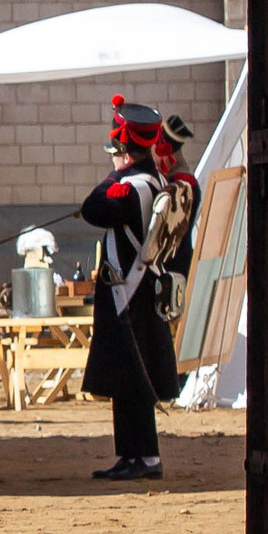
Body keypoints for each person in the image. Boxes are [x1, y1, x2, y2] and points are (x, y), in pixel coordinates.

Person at [81, 96, 183, 479]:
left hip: (130, 290)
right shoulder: (155, 179)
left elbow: (92, 207)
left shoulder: (127, 187)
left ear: (124, 148)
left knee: (135, 377)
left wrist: (115, 174)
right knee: (127, 377)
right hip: (137, 288)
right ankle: (130, 454)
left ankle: (146, 457)